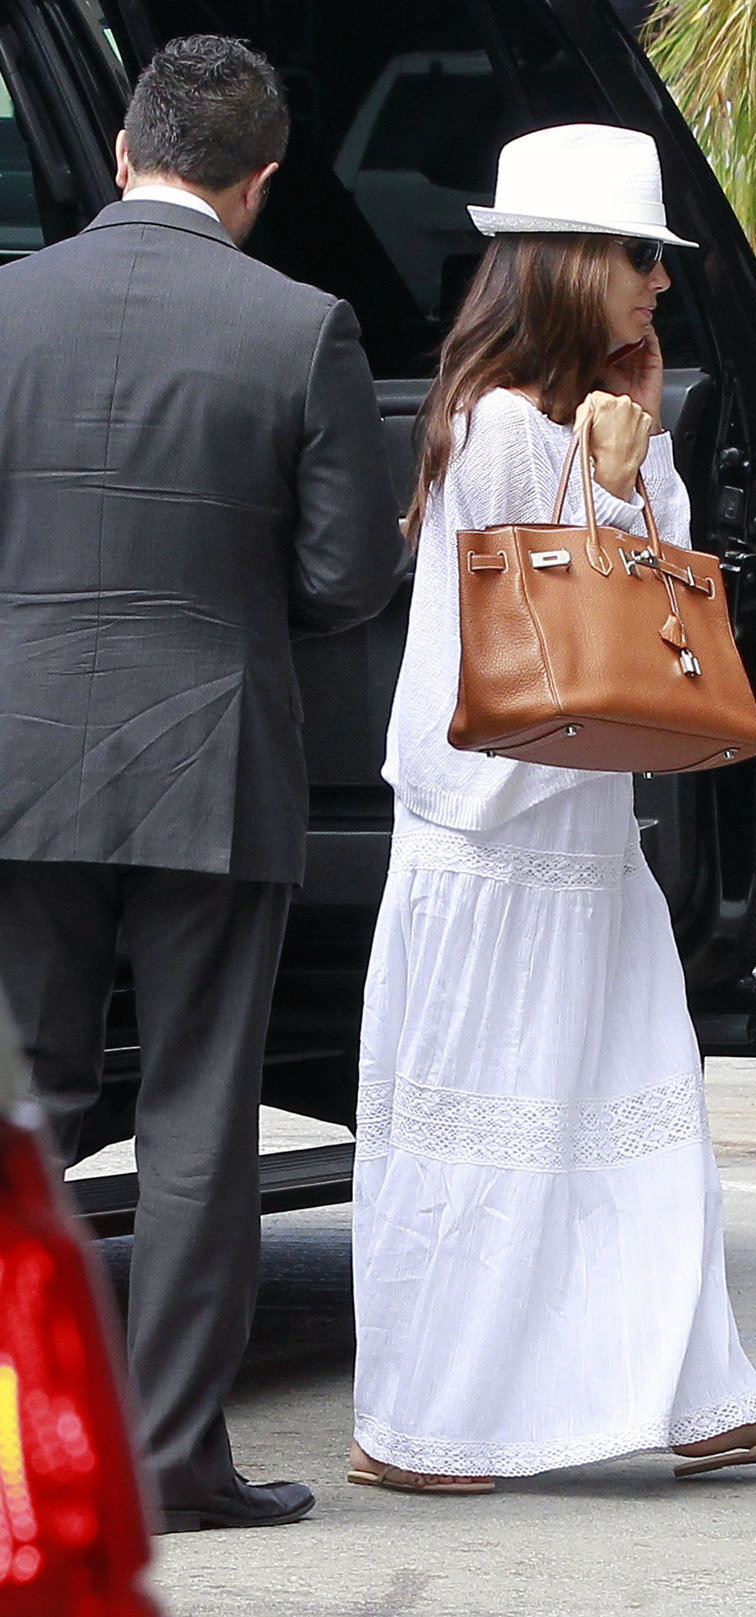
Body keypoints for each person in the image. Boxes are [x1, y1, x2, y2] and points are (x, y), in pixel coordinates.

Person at [349, 123, 756, 1492]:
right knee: (484, 1132)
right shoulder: (502, 430)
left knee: (643, 1110)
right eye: (642, 259)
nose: (661, 285)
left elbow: (666, 599)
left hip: (577, 839)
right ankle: (420, 1422)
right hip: (498, 838)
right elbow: (556, 607)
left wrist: (633, 464)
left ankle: (702, 1393)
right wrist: (619, 476)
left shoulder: (578, 424)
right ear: (576, 266)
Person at [0, 36, 404, 1530]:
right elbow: (347, 576)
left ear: (119, 153)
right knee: (192, 1117)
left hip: (17, 762)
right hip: (211, 766)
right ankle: (170, 1463)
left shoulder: (4, 309)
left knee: (28, 1104)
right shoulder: (302, 327)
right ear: (264, 183)